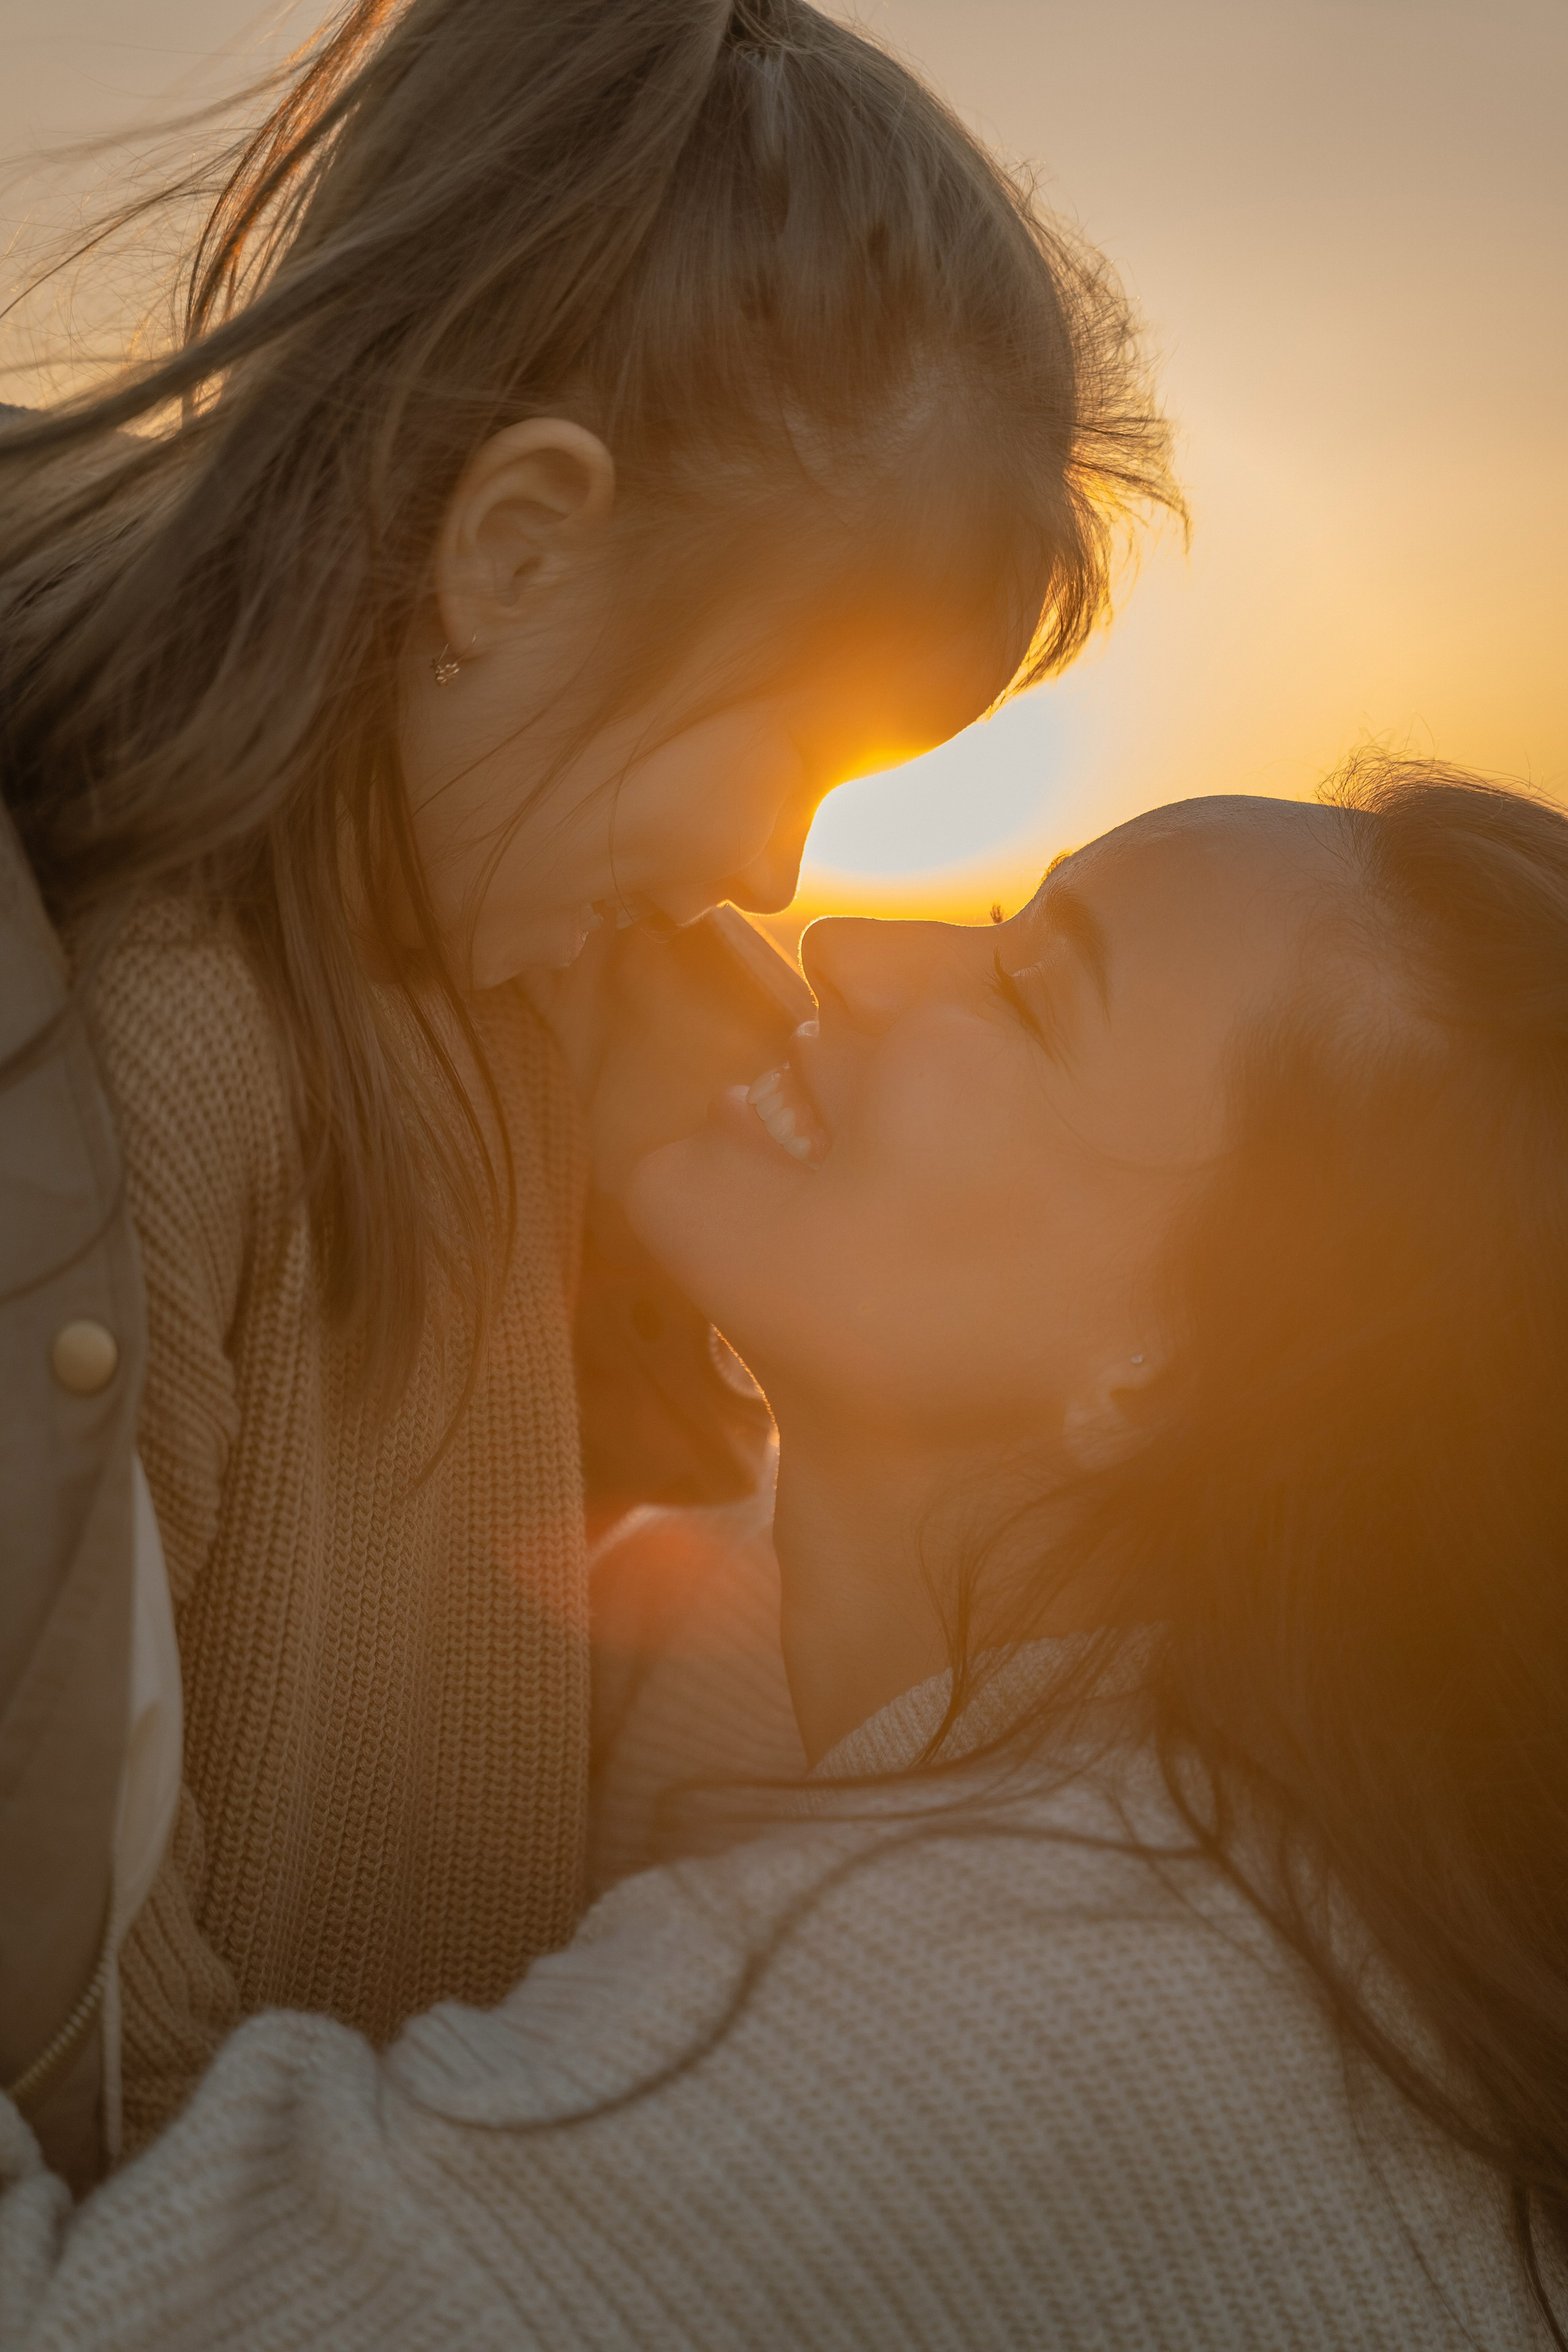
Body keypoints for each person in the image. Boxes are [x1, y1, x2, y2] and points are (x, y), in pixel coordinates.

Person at [0, 0, 1177, 2174]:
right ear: (517, 551)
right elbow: (90, 2077)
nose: (771, 882)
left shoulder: (500, 973)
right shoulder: (156, 1068)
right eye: (793, 761)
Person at [7, 756, 1568, 2350]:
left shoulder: (1016, 2001)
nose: (851, 952)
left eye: (1034, 997)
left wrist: (98, 1176)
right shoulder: (924, 1704)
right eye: (989, 915)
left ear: (1186, 1364)